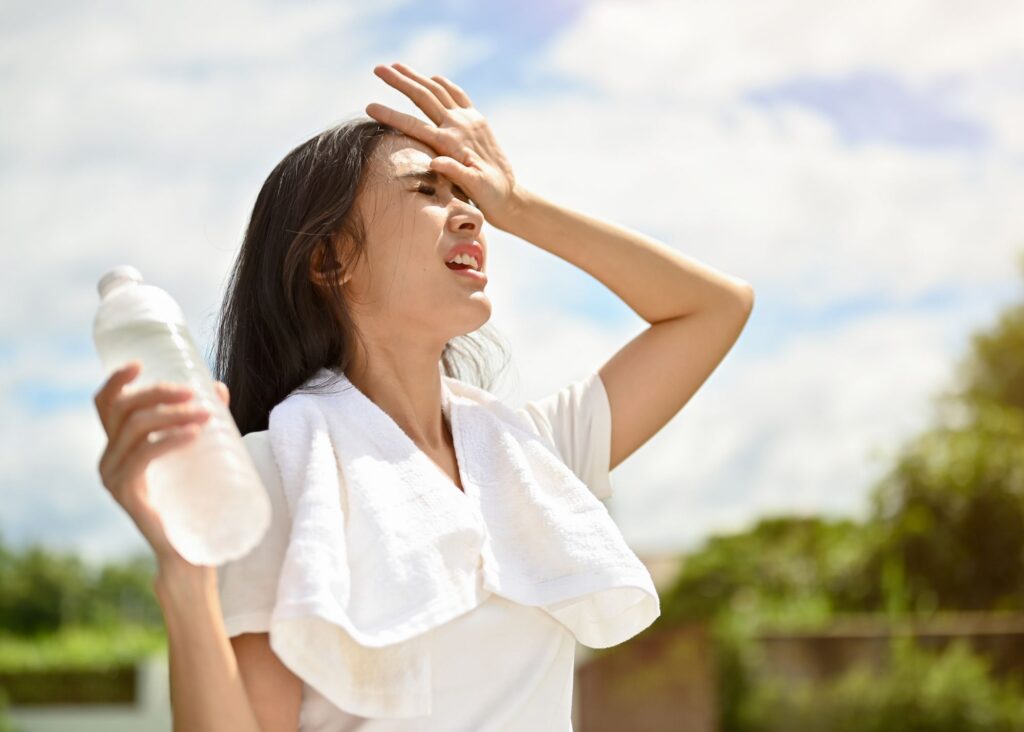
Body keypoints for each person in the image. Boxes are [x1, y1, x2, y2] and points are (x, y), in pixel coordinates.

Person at [93, 61, 755, 731]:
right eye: (428, 191)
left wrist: (519, 205)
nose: (469, 212)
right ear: (329, 260)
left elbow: (714, 308)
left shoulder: (533, 457)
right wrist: (185, 572)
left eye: (466, 191)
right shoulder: (280, 472)